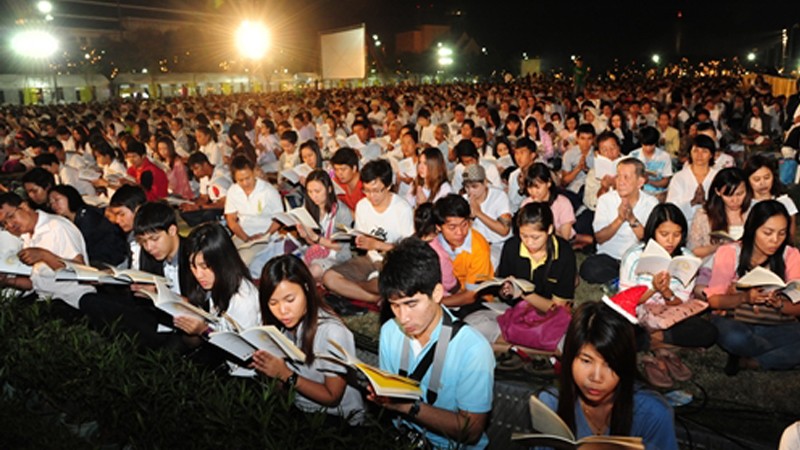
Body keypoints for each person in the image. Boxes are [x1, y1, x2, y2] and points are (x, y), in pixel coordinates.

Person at [373, 237, 494, 449]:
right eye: (394, 306)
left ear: (437, 293)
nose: (403, 317)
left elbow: (471, 431)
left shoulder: (473, 349)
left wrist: (408, 407)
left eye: (411, 304)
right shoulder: (390, 331)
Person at [539, 301, 678, 450]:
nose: (596, 377)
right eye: (586, 360)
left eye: (610, 364)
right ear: (569, 358)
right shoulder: (550, 404)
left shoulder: (652, 414)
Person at [251, 255, 365, 425]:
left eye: (290, 300)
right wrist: (267, 367)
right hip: (298, 407)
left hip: (337, 419)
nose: (282, 311)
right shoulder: (280, 326)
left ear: (306, 288)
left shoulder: (332, 332)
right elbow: (280, 389)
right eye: (273, 303)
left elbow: (332, 397)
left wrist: (286, 374)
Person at [618, 203, 718, 385]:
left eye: (677, 234)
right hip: (639, 316)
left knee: (708, 333)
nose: (671, 241)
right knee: (618, 329)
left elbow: (681, 305)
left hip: (670, 317)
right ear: (652, 231)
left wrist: (666, 292)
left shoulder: (687, 259)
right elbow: (625, 302)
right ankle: (664, 347)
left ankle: (652, 345)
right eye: (664, 234)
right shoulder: (633, 256)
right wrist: (652, 289)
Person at [704, 200, 800, 374]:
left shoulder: (791, 255)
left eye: (782, 233)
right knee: (736, 337)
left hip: (776, 323)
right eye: (768, 233)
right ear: (752, 229)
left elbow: (797, 307)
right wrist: (744, 298)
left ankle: (753, 361)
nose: (775, 240)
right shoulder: (730, 252)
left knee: (744, 341)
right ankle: (769, 355)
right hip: (737, 323)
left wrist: (779, 303)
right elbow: (714, 301)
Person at [0, 192, 96, 311]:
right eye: (4, 223)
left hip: (73, 299)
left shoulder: (56, 226)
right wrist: (7, 281)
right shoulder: (27, 238)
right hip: (46, 299)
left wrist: (44, 256)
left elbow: (82, 271)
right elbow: (36, 283)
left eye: (10, 216)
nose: (10, 225)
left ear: (24, 206)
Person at [171, 223, 261, 342]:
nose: (198, 275)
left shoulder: (243, 299)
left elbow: (244, 351)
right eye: (193, 266)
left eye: (205, 266)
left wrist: (204, 330)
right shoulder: (214, 283)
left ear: (222, 261)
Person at [580, 158, 657, 284]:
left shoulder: (651, 203)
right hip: (610, 258)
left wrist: (632, 219)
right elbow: (599, 238)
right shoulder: (605, 200)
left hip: (637, 259)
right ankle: (626, 280)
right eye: (618, 176)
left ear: (640, 182)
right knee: (589, 268)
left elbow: (649, 241)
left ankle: (621, 280)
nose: (620, 182)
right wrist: (619, 219)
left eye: (626, 177)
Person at [293, 169, 353, 281]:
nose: (313, 196)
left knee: (313, 271)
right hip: (317, 250)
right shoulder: (309, 206)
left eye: (317, 191)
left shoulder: (342, 212)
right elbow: (311, 242)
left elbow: (340, 246)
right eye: (310, 192)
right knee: (293, 267)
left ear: (329, 189)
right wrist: (305, 234)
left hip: (337, 255)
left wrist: (315, 238)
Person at [47, 185, 128, 268]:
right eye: (51, 203)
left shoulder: (88, 216)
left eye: (57, 200)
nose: (54, 205)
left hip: (112, 262)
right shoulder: (71, 220)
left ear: (69, 196)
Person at [224, 155, 282, 266]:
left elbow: (279, 219)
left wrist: (265, 234)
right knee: (223, 256)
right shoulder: (233, 191)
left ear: (254, 172)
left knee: (243, 260)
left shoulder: (268, 191)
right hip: (243, 234)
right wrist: (246, 237)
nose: (245, 183)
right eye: (240, 180)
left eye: (248, 178)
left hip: (264, 235)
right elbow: (231, 219)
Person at [688, 168, 751, 259]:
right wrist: (717, 247)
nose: (735, 200)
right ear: (718, 192)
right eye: (728, 195)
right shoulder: (704, 215)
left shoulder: (753, 211)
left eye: (740, 194)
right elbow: (694, 250)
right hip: (713, 267)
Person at [461, 164, 512, 268]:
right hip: (473, 245)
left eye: (474, 186)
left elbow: (504, 230)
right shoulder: (464, 199)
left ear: (485, 183)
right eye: (467, 187)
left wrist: (479, 213)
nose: (470, 191)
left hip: (497, 245)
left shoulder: (499, 196)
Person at [744, 153, 798, 240]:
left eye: (767, 177)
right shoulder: (744, 204)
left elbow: (790, 235)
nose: (762, 183)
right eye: (757, 179)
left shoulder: (785, 201)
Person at [666, 135, 718, 223]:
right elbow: (671, 207)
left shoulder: (717, 176)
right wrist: (692, 202)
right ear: (690, 153)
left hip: (712, 223)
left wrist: (706, 203)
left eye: (704, 151)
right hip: (685, 223)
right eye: (695, 151)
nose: (699, 155)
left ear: (711, 155)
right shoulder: (679, 177)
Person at [520, 163, 576, 240]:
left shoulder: (562, 203)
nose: (533, 191)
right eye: (530, 187)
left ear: (548, 183)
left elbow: (565, 237)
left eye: (537, 187)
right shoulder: (526, 203)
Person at [106, 185, 147, 269]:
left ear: (138, 210)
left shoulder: (152, 239)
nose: (117, 220)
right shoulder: (131, 235)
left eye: (122, 214)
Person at [629, 126, 672, 198]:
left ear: (656, 143)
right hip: (638, 193)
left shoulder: (664, 157)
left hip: (658, 193)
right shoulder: (633, 155)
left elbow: (665, 181)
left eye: (651, 145)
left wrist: (649, 181)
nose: (648, 148)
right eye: (645, 145)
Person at [330, 147, 365, 213]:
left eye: (343, 169)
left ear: (354, 168)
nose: (339, 174)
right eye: (336, 169)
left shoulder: (366, 186)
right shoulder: (337, 182)